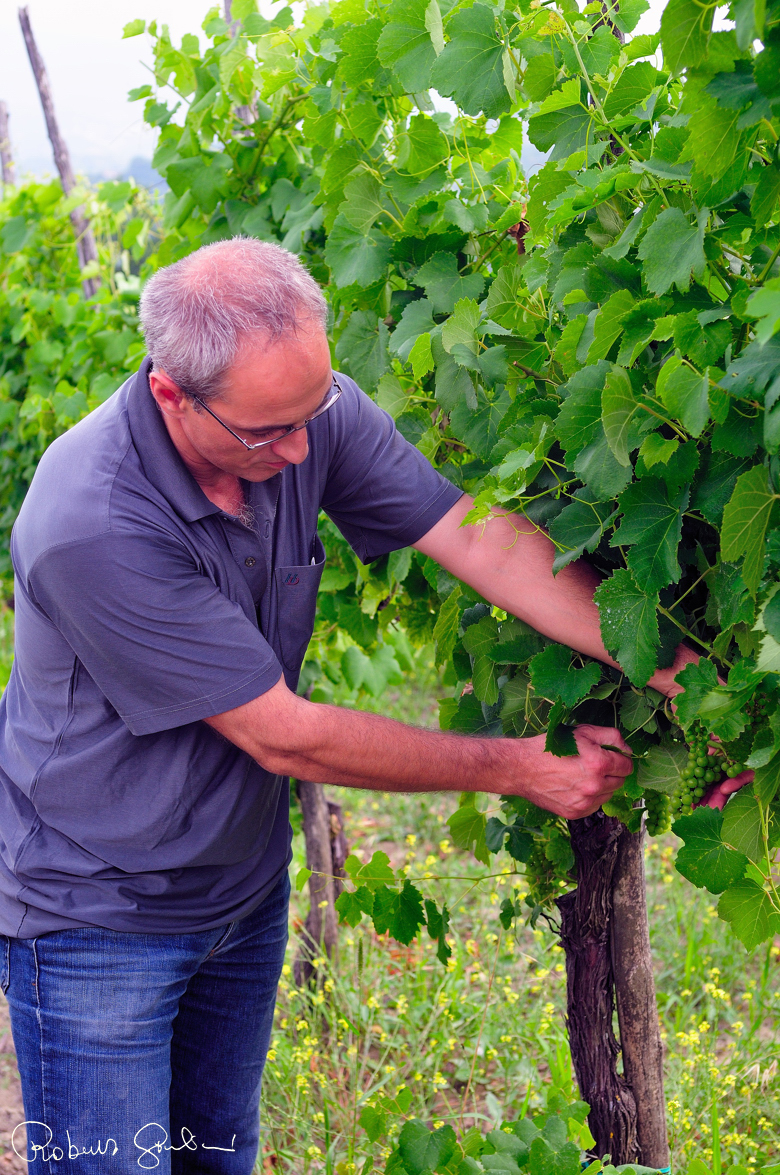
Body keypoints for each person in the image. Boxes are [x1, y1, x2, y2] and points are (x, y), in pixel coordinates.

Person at [0, 238, 745, 1173]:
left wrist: (678, 666)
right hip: (94, 918)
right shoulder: (94, 521)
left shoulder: (300, 412)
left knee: (214, 1161)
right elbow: (285, 734)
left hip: (237, 890)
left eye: (314, 410)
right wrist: (519, 766)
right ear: (171, 395)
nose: (307, 447)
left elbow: (479, 542)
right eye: (272, 431)